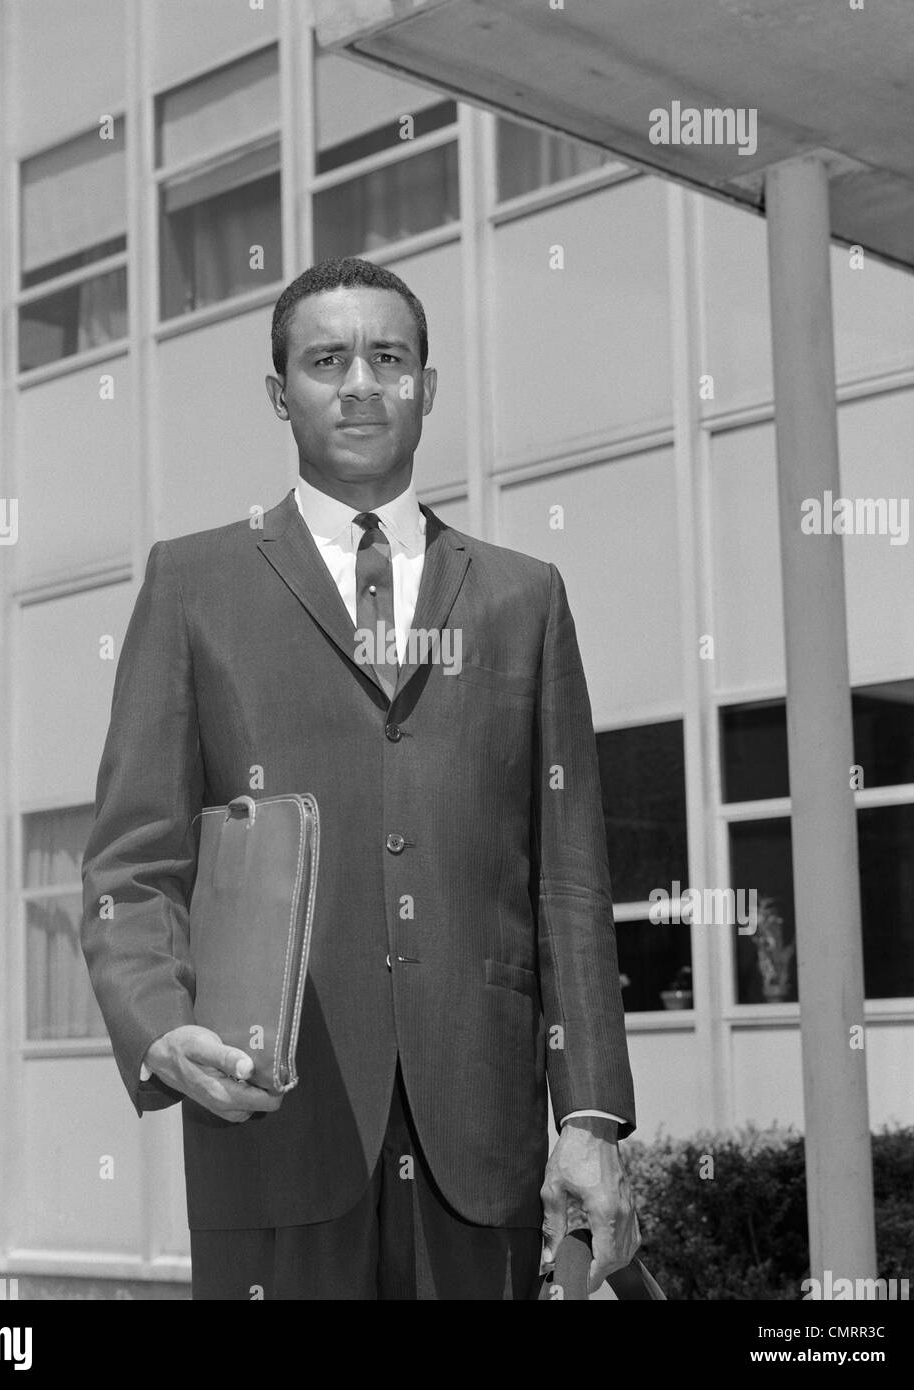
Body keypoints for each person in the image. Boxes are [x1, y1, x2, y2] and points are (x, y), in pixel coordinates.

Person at [81, 256, 640, 1300]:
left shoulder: (525, 597)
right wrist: (160, 1025)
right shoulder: (191, 583)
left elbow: (567, 879)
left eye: (389, 358)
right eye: (326, 359)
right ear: (278, 392)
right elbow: (132, 864)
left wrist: (593, 1114)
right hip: (273, 1121)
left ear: (427, 383)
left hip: (482, 1147)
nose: (361, 383)